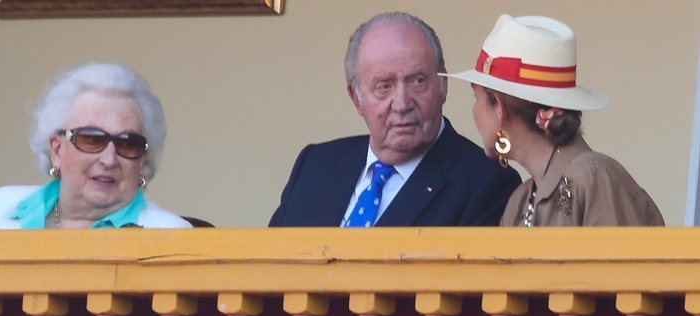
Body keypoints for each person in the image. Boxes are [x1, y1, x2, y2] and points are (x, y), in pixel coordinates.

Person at [269, 11, 521, 227]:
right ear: (356, 98)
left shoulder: (487, 184)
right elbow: (269, 266)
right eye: (384, 86)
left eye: (418, 81)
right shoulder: (315, 165)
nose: (401, 104)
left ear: (443, 86)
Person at [445, 14, 663, 226]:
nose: (475, 109)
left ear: (500, 107)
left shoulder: (594, 177)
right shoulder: (519, 200)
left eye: (477, 97)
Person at [0, 63, 192, 229]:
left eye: (127, 143)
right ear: (57, 150)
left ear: (142, 160)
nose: (109, 159)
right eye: (92, 139)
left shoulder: (169, 233)